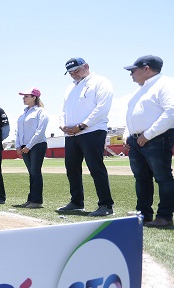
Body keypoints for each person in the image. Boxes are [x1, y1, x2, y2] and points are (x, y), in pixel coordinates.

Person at [123, 55, 174, 228]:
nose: (131, 74)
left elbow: (172, 111)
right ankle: (144, 214)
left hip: (157, 138)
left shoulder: (166, 84)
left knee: (163, 177)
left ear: (146, 69)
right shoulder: (141, 90)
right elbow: (132, 115)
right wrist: (128, 134)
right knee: (141, 179)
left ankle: (164, 216)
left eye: (133, 70)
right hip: (137, 140)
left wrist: (148, 134)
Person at [57, 57, 115, 217]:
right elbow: (63, 109)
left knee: (96, 168)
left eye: (76, 70)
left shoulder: (100, 82)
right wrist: (62, 125)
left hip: (92, 131)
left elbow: (102, 108)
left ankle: (106, 205)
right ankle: (76, 202)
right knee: (72, 169)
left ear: (86, 66)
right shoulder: (70, 88)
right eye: (70, 73)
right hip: (71, 134)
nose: (74, 74)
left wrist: (82, 125)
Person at [15, 88, 49, 208]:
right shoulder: (22, 113)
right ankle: (31, 199)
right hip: (25, 147)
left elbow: (40, 131)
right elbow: (18, 131)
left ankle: (37, 201)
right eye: (23, 97)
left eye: (26, 96)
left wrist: (29, 146)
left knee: (35, 172)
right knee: (31, 173)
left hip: (37, 145)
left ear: (34, 97)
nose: (24, 99)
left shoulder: (41, 112)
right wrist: (18, 145)